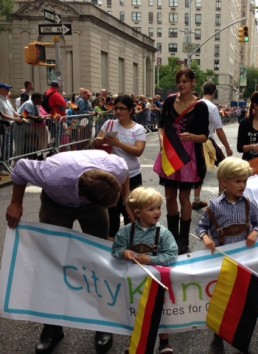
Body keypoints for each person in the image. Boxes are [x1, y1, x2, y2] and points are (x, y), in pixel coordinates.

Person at [5, 149, 131, 354]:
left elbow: (124, 171)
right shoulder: (51, 174)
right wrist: (16, 202)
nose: (115, 205)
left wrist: (126, 199)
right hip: (57, 203)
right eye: (112, 203)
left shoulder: (114, 167)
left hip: (93, 206)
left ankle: (102, 323)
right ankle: (52, 328)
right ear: (84, 196)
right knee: (51, 263)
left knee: (100, 259)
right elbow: (20, 168)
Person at [111, 187, 178, 354]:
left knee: (160, 310)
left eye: (158, 208)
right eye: (151, 209)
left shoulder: (163, 233)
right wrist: (123, 253)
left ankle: (164, 342)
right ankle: (135, 341)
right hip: (133, 282)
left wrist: (150, 259)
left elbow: (172, 254)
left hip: (156, 280)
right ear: (137, 213)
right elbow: (115, 250)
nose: (157, 212)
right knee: (134, 311)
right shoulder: (126, 232)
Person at [154, 68, 209, 254]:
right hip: (169, 154)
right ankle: (171, 237)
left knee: (184, 197)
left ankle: (183, 240)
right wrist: (162, 141)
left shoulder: (200, 106)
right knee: (169, 196)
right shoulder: (169, 101)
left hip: (188, 157)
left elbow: (204, 137)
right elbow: (161, 126)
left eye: (185, 81)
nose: (181, 84)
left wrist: (191, 136)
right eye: (179, 81)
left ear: (193, 82)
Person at [94, 95, 147, 239]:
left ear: (130, 110)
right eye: (116, 108)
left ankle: (132, 241)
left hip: (132, 174)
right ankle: (112, 242)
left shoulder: (138, 129)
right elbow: (95, 144)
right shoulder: (109, 124)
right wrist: (99, 141)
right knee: (112, 211)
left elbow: (138, 151)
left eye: (122, 109)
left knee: (132, 211)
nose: (118, 112)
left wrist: (118, 144)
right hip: (111, 175)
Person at [196, 156, 258, 253]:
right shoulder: (214, 206)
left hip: (244, 253)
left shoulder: (249, 205)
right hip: (221, 255)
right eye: (238, 181)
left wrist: (255, 232)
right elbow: (201, 227)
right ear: (224, 183)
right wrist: (206, 238)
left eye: (245, 181)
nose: (242, 185)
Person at [192, 81, 233, 210]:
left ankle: (197, 199)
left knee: (200, 170)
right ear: (214, 92)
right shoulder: (211, 107)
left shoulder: (195, 103)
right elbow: (219, 129)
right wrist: (227, 147)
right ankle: (221, 199)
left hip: (194, 141)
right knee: (224, 168)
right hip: (207, 140)